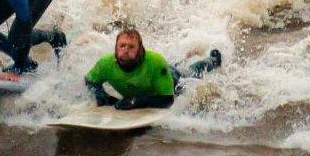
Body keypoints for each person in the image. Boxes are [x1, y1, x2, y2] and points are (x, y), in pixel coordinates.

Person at [85, 28, 222, 110]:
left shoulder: (155, 62)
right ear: (115, 48)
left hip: (173, 80)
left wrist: (136, 102)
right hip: (157, 75)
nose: (125, 50)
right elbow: (90, 81)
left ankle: (213, 60)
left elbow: (168, 100)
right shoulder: (105, 64)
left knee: (192, 73)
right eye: (122, 46)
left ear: (140, 50)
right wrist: (101, 95)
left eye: (131, 47)